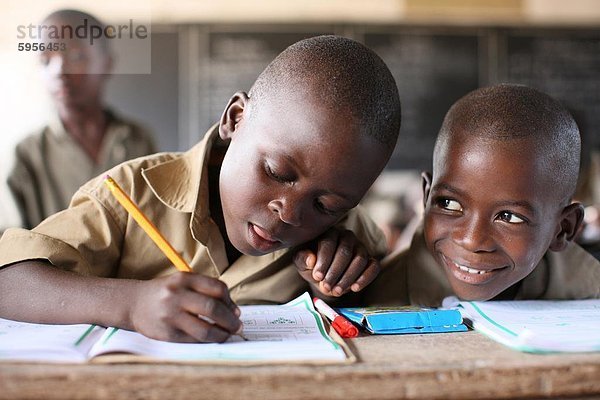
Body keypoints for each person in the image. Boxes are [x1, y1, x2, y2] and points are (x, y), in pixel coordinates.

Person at [0, 35, 401, 343]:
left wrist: (332, 291)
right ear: (235, 118)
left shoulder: (348, 235)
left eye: (325, 204)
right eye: (278, 171)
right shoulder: (129, 195)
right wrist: (131, 304)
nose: (291, 213)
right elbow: (9, 283)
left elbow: (387, 322)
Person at [364, 84, 600, 307]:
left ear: (563, 229)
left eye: (509, 217)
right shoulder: (369, 298)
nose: (472, 240)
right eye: (448, 203)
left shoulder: (589, 298)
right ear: (426, 198)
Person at [7, 9, 156, 229]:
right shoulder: (27, 154)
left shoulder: (138, 140)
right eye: (45, 60)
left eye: (76, 56)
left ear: (106, 64)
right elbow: (11, 248)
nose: (59, 70)